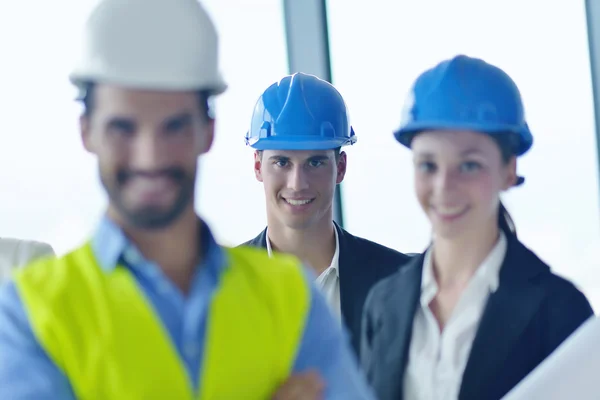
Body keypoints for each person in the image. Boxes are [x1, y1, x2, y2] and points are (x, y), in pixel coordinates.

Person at [0, 0, 375, 399]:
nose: (150, 156)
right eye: (123, 128)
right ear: (86, 131)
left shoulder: (291, 298)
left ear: (208, 131)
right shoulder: (31, 313)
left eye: (174, 127)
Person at [360, 54, 594, 400]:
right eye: (428, 165)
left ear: (509, 170)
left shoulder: (560, 310)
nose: (443, 186)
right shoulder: (383, 304)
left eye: (469, 165)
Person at [241, 72, 412, 356]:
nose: (297, 183)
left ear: (340, 167)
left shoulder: (399, 282)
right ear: (258, 167)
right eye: (282, 162)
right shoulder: (219, 288)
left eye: (315, 162)